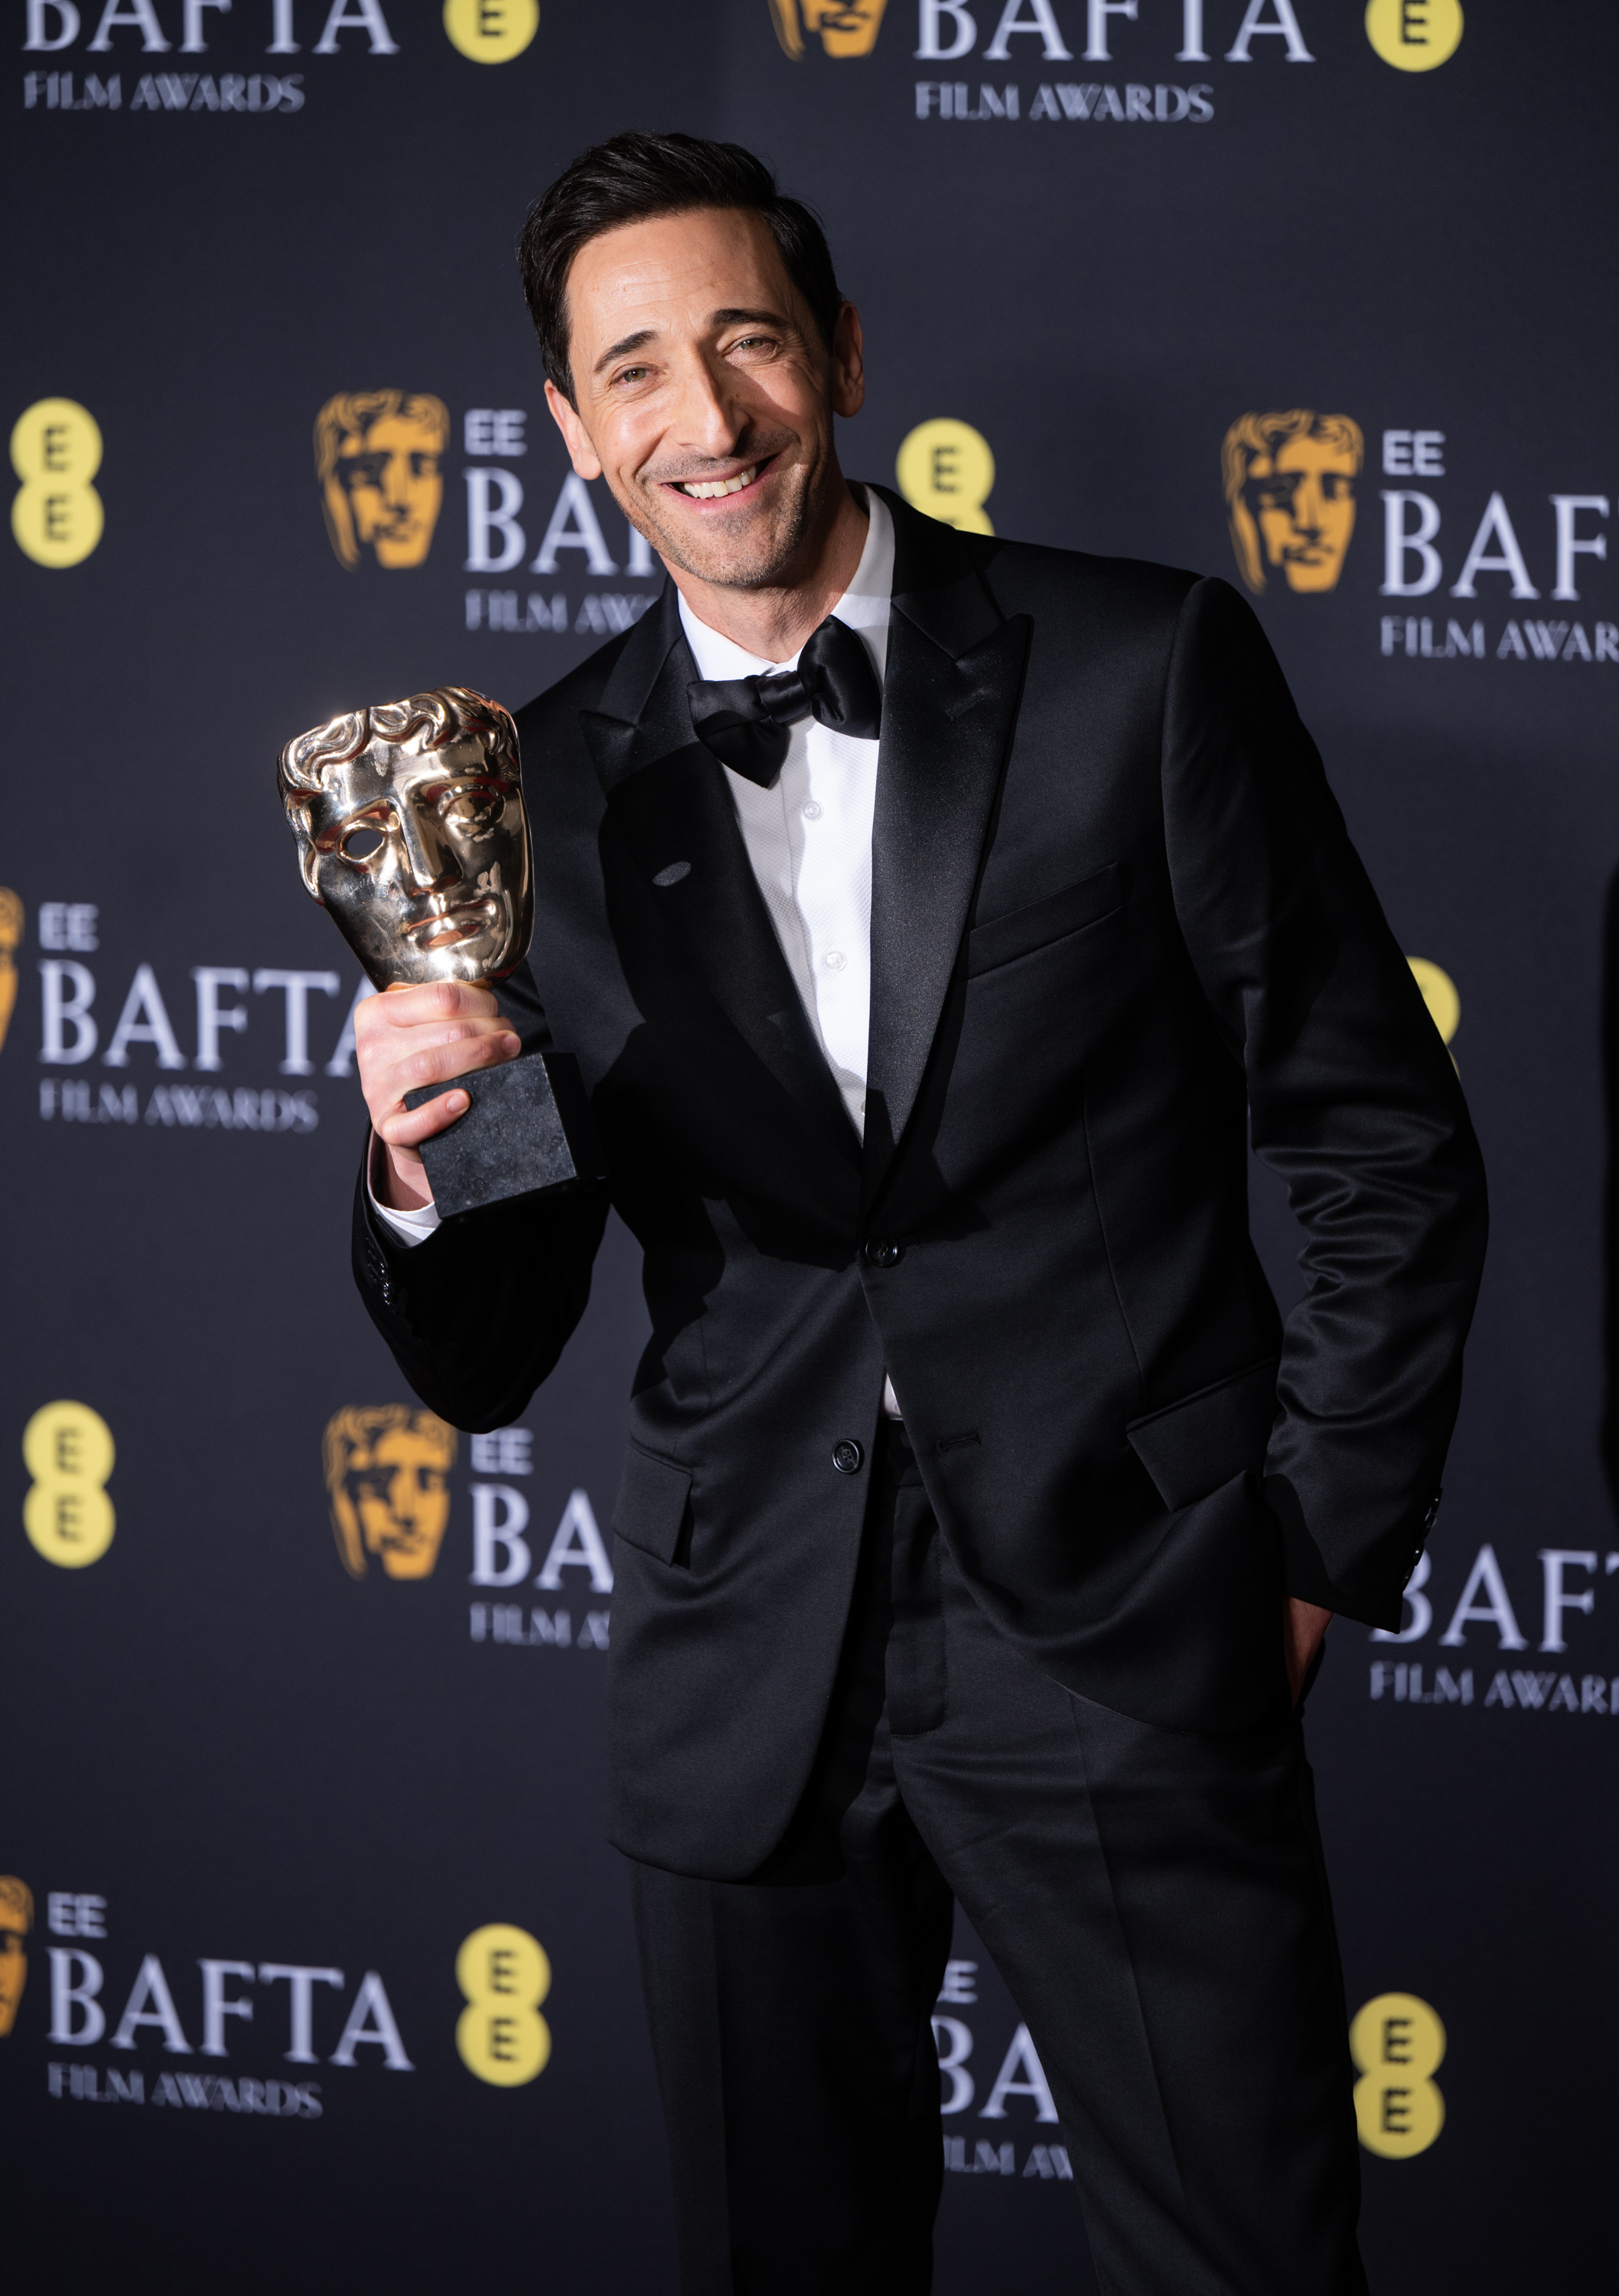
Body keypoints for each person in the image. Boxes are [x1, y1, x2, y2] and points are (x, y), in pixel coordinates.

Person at [349, 132, 1487, 2294]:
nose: (710, 415)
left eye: (749, 337)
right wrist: (425, 1155)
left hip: (1128, 1635)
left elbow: (1375, 1141)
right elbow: (487, 1351)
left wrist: (1315, 1546)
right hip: (741, 1667)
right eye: (639, 372)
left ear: (846, 352)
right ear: (574, 435)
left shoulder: (1137, 665)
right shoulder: (523, 795)